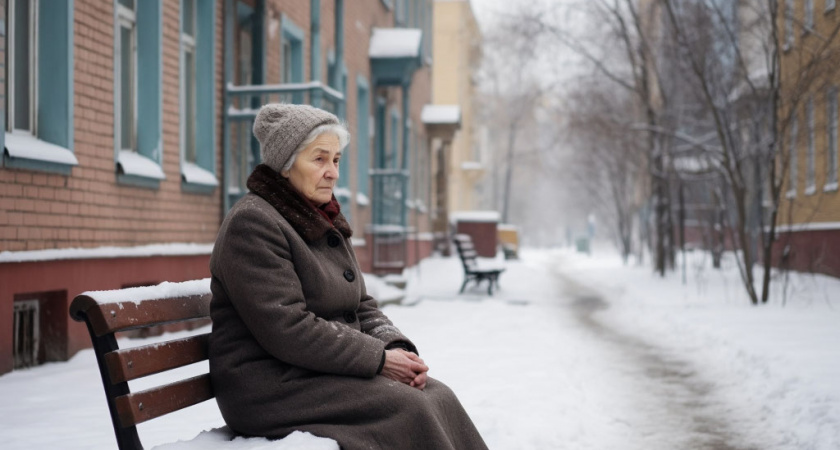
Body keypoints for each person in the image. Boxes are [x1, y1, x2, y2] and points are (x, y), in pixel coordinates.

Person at [208, 103, 488, 450]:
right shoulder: (253, 224)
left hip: (314, 372)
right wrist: (380, 360)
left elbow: (361, 304)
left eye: (336, 160)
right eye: (319, 159)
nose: (333, 172)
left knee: (439, 395)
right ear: (284, 165)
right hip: (269, 385)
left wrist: (395, 348)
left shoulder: (318, 218)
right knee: (409, 409)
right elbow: (288, 328)